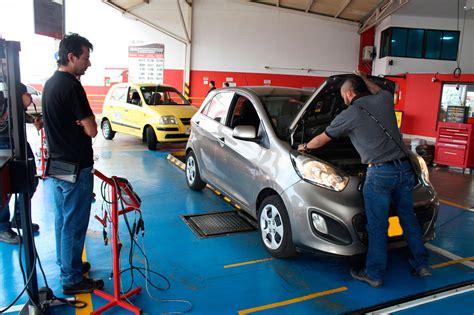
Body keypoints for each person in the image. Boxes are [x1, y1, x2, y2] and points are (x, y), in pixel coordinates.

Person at [297, 71, 431, 288]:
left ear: (349, 93)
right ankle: (421, 264)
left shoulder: (349, 115)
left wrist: (303, 147)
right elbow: (379, 89)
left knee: (377, 225)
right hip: (404, 169)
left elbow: (322, 139)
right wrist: (363, 76)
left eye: (343, 96)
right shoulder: (384, 100)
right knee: (408, 218)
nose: (343, 100)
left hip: (380, 174)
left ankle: (374, 273)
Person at [42, 33, 103, 295]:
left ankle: (69, 264)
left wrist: (79, 122)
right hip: (75, 166)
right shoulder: (71, 87)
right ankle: (71, 277)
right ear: (72, 57)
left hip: (57, 164)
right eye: (85, 58)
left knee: (63, 221)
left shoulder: (50, 84)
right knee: (75, 223)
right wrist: (85, 122)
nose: (88, 63)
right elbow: (92, 129)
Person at [0, 83, 41, 244]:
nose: (30, 98)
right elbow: (3, 125)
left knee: (30, 180)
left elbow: (19, 117)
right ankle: (2, 228)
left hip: (20, 143)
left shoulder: (15, 99)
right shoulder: (3, 99)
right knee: (4, 188)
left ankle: (19, 217)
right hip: (3, 145)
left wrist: (32, 119)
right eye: (26, 95)